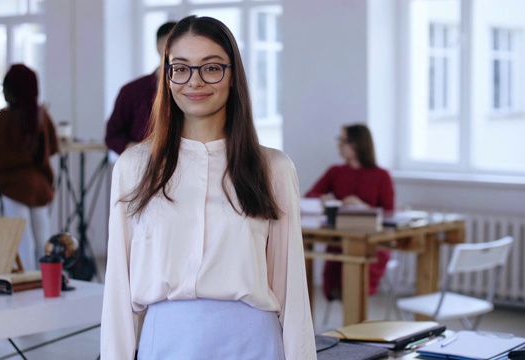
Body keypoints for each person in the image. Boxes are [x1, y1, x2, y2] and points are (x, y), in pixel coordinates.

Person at [101, 15, 316, 359]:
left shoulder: (272, 168)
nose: (194, 81)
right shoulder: (135, 167)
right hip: (166, 341)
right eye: (181, 68)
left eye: (212, 68)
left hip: (254, 343)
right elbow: (117, 287)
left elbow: (292, 290)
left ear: (233, 77)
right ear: (167, 78)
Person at [0, 64, 59, 271]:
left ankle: (26, 280)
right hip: (39, 185)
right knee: (43, 239)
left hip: (13, 186)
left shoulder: (4, 118)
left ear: (11, 90)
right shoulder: (42, 116)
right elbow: (54, 146)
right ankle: (47, 281)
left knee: (21, 239)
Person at [305, 123, 395, 301]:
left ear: (357, 144)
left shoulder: (381, 175)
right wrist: (324, 199)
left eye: (343, 140)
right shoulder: (335, 171)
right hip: (340, 241)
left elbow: (389, 213)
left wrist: (363, 207)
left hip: (372, 243)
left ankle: (355, 318)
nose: (339, 144)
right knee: (334, 267)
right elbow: (310, 194)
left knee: (357, 268)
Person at [104, 21, 177, 154]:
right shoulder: (132, 90)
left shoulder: (191, 89)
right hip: (143, 165)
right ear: (159, 48)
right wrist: (139, 152)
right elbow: (113, 135)